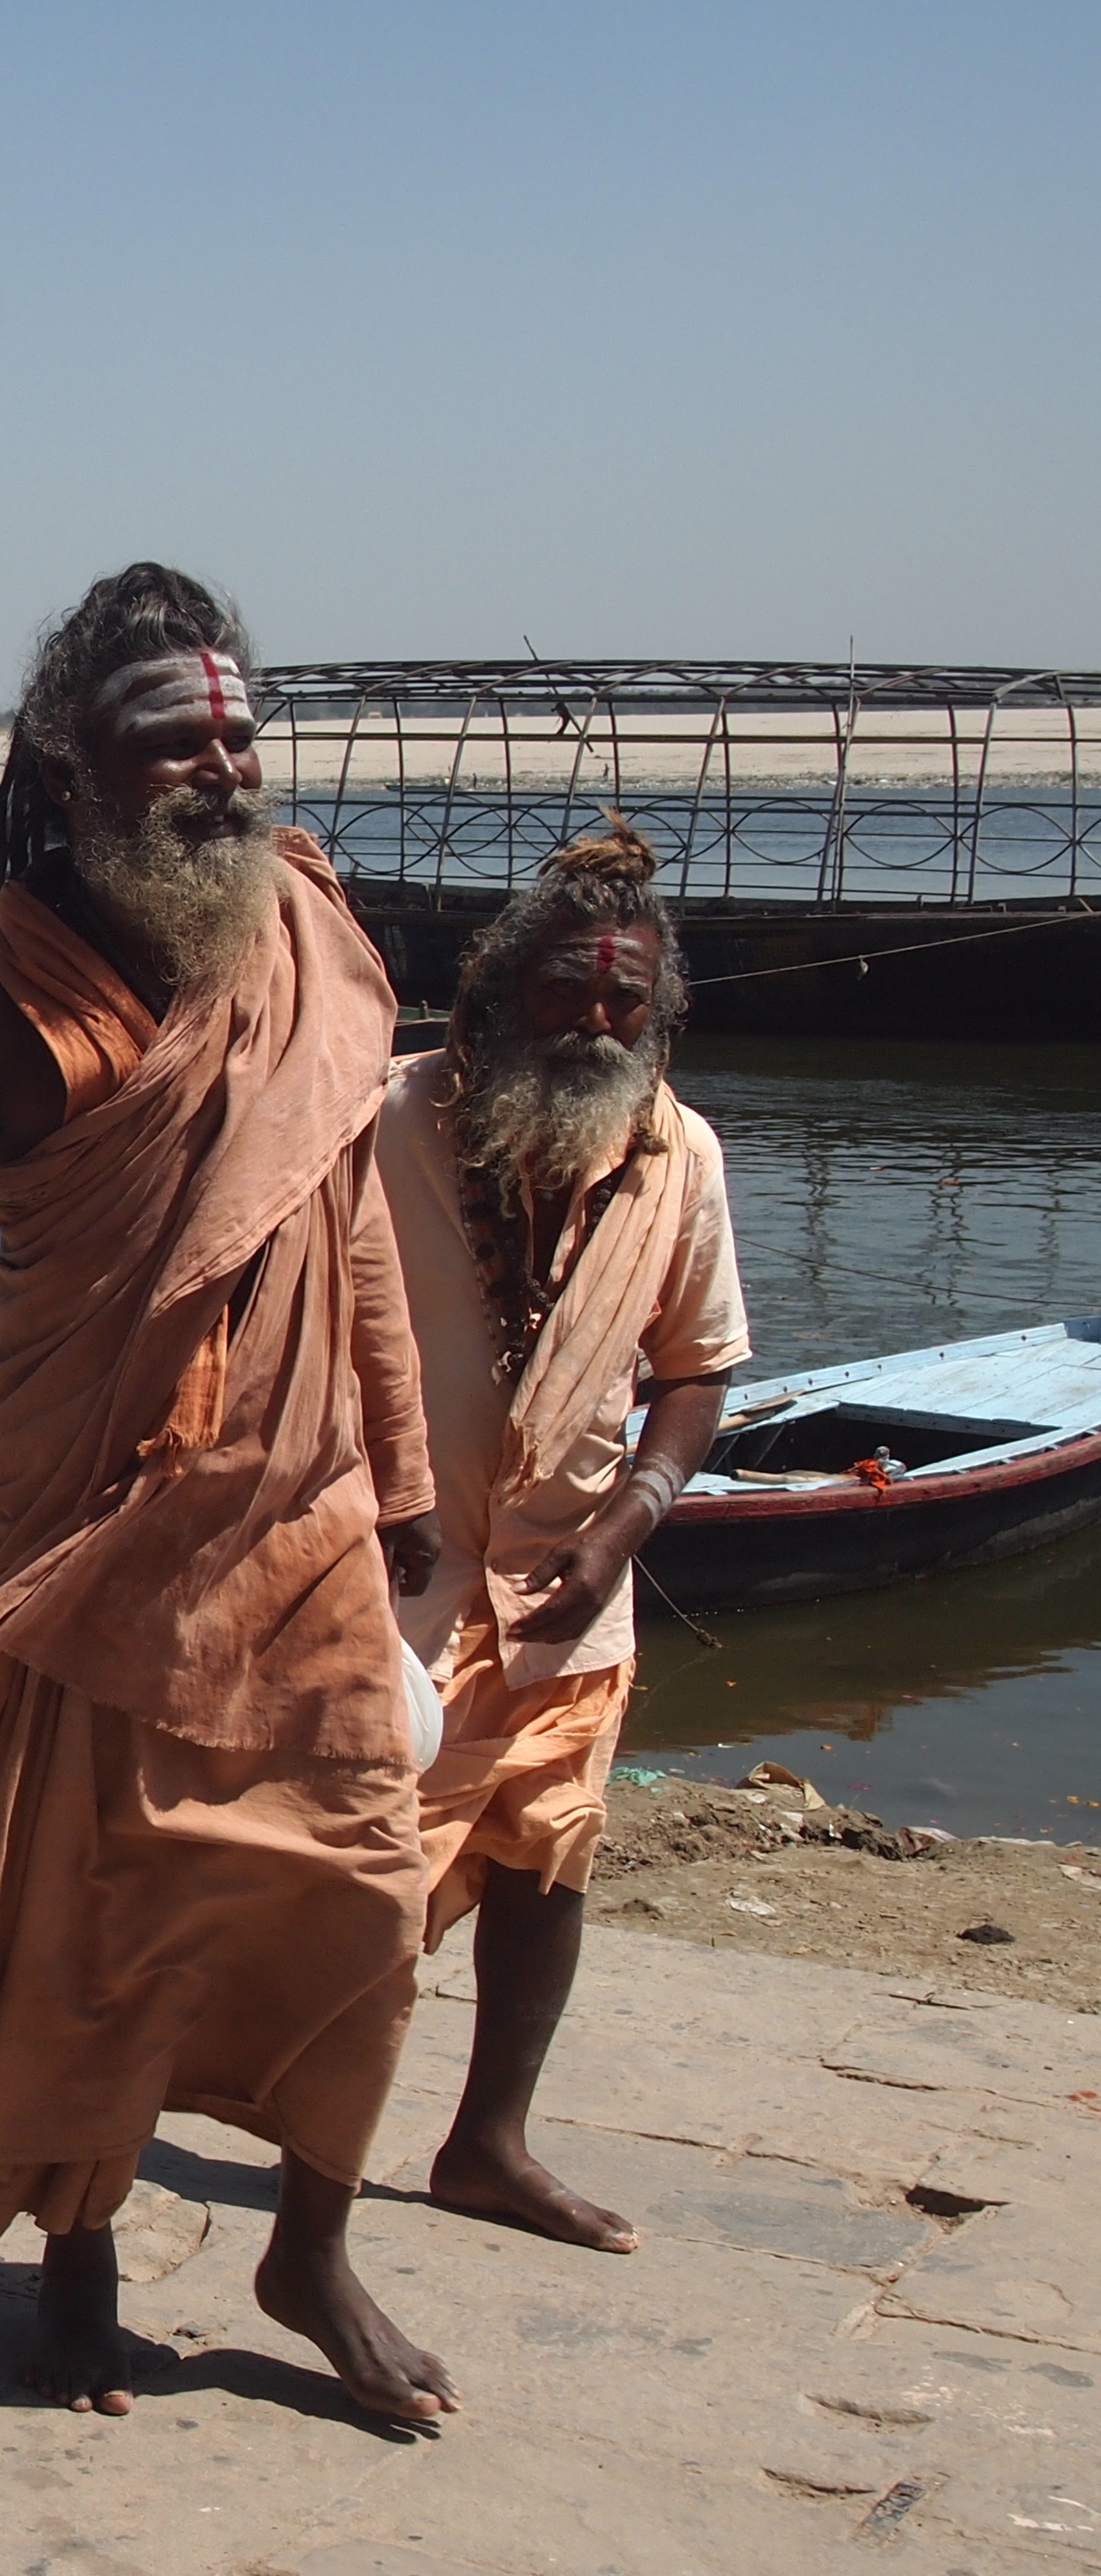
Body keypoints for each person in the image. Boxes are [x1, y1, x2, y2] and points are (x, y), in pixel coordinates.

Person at [0, 563, 455, 2426]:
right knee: (92, 1913)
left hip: (304, 1510)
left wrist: (405, 1483)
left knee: (374, 1888)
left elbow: (355, 1228)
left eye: (236, 733)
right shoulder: (8, 1005)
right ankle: (80, 2262)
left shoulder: (308, 927)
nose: (218, 769)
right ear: (75, 772)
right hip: (91, 1536)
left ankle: (309, 2243)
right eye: (174, 741)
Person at [379, 818, 746, 2253]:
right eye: (567, 995)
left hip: (576, 1587)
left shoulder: (678, 1156)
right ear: (491, 999)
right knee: (352, 1890)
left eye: (624, 1003)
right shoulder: (388, 1121)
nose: (597, 1024)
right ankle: (305, 2164)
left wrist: (635, 1520)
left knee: (548, 1858)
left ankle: (489, 2144)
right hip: (390, 1583)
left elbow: (699, 1366)